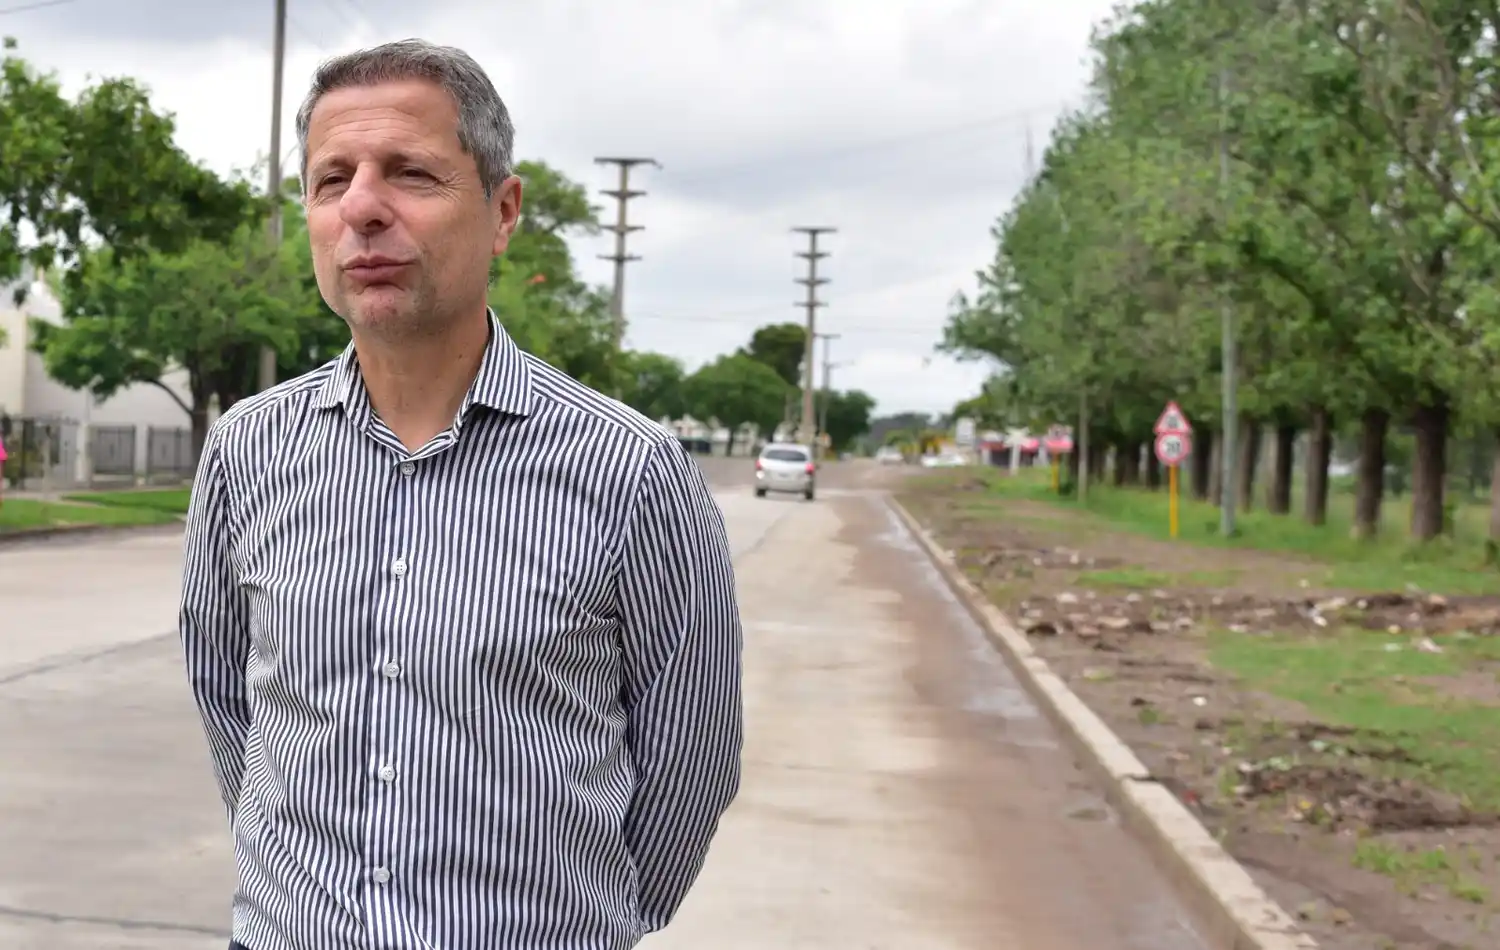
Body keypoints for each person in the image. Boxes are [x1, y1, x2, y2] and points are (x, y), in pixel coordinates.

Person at [178, 39, 744, 950]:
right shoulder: (249, 451)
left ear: (503, 211)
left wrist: (589, 923)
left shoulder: (631, 472)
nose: (363, 208)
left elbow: (692, 755)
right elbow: (225, 700)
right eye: (332, 180)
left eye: (411, 172)